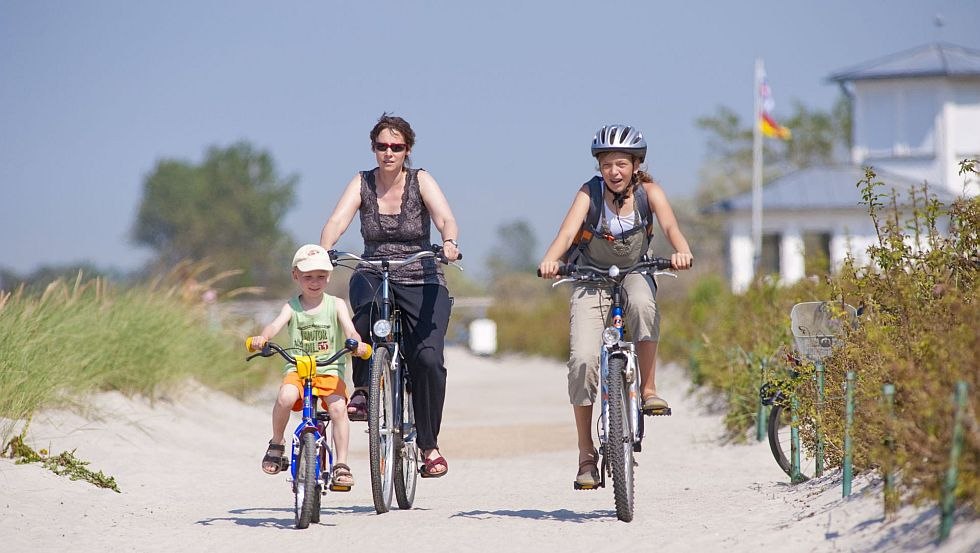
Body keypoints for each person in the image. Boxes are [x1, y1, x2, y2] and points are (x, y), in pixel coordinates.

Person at [537, 123, 694, 487]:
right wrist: (549, 261)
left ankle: (649, 389)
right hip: (591, 277)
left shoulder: (649, 193)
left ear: (636, 165)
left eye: (622, 163)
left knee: (643, 304)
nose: (614, 171)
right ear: (599, 167)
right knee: (581, 360)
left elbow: (670, 227)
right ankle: (585, 454)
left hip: (637, 269)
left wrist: (682, 251)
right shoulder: (588, 194)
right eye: (607, 164)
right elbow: (565, 235)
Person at [320, 113, 459, 478]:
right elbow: (337, 220)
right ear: (373, 149)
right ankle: (364, 388)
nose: (388, 153)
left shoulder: (420, 180)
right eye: (382, 146)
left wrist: (448, 243)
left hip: (421, 274)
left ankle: (429, 446)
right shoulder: (362, 182)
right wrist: (324, 249)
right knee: (362, 313)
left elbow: (445, 218)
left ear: (407, 150)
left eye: (396, 147)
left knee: (427, 359)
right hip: (374, 269)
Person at [248, 244, 369, 487]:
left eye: (321, 277)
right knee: (285, 397)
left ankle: (341, 464)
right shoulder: (291, 306)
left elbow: (350, 329)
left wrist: (356, 343)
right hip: (298, 369)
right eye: (308, 277)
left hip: (329, 370)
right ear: (295, 275)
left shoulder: (335, 304)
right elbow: (274, 325)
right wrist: (264, 338)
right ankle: (277, 442)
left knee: (338, 410)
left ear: (329, 277)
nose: (315, 282)